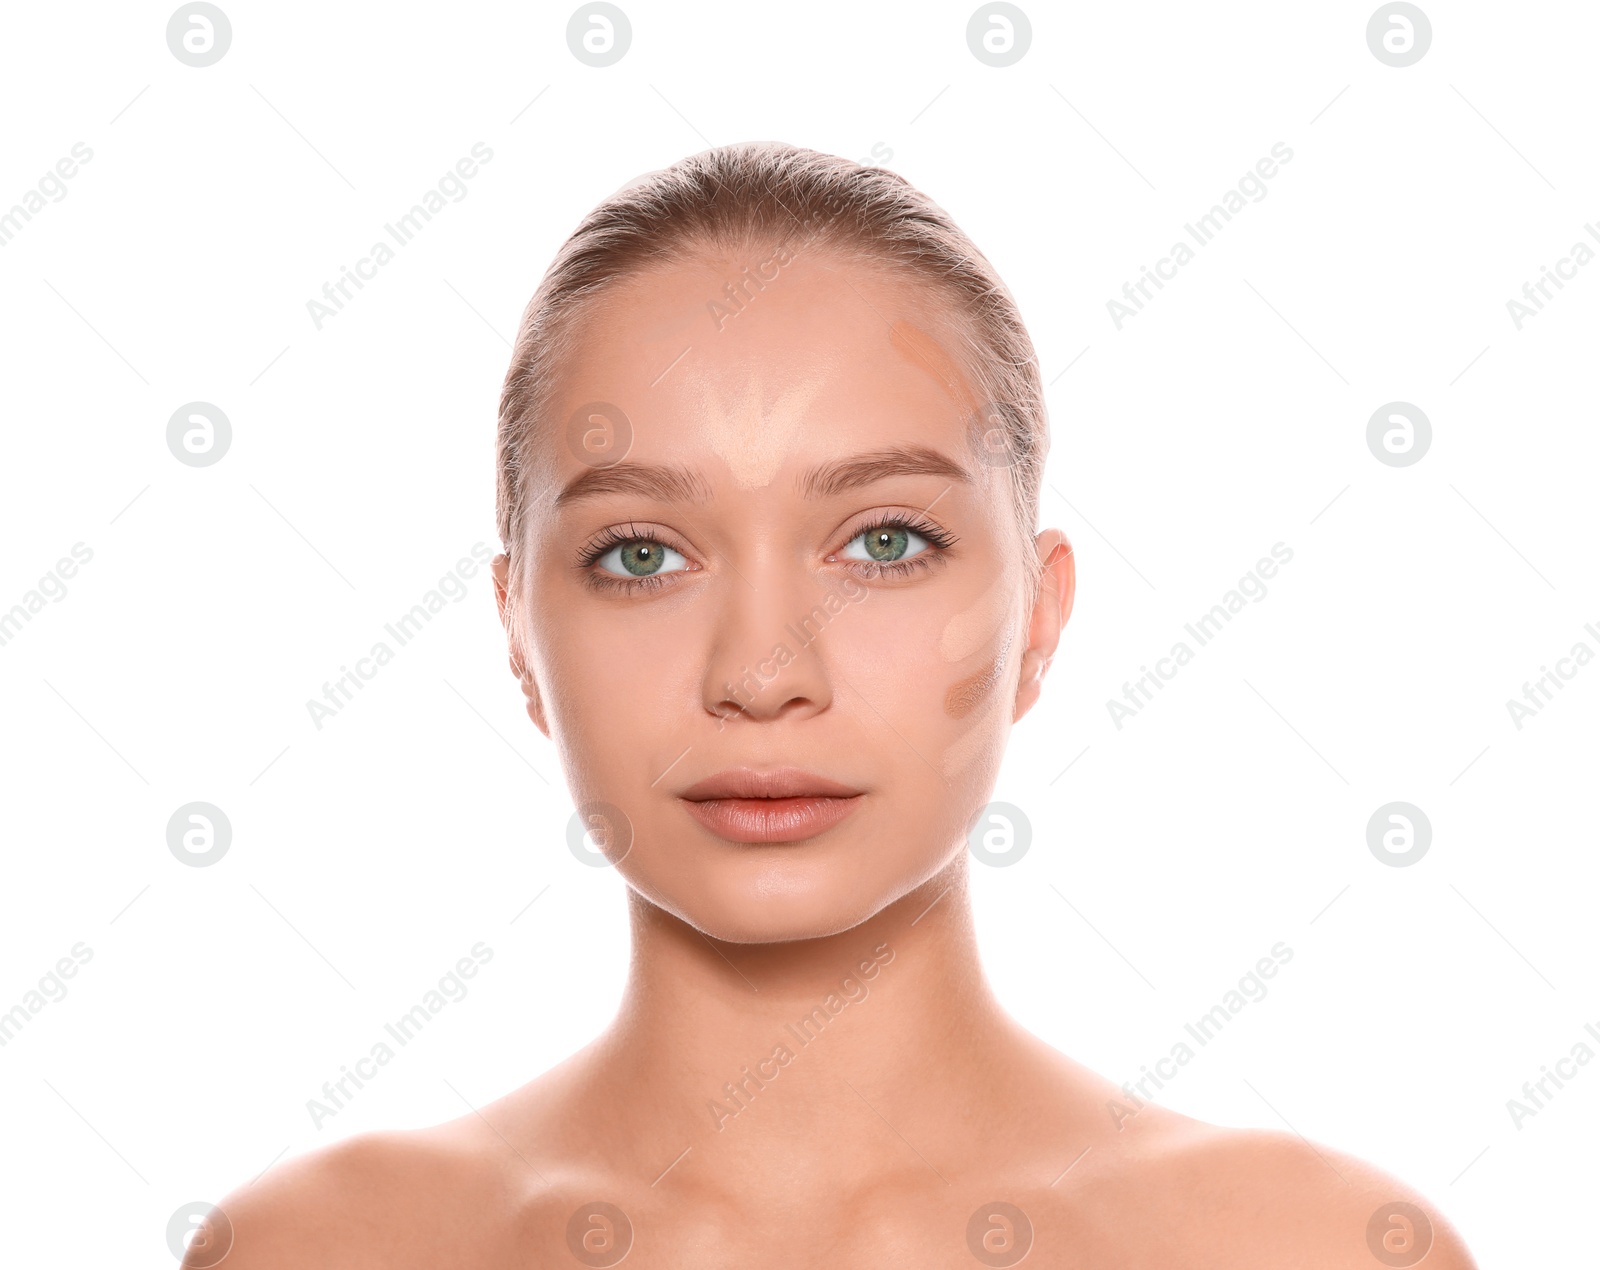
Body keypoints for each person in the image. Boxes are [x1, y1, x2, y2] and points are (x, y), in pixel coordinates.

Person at [191, 141, 1475, 1268]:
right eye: (640, 553)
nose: (761, 672)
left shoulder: (1316, 1254)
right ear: (518, 628)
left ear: (1039, 614)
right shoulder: (318, 1252)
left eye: (885, 542)